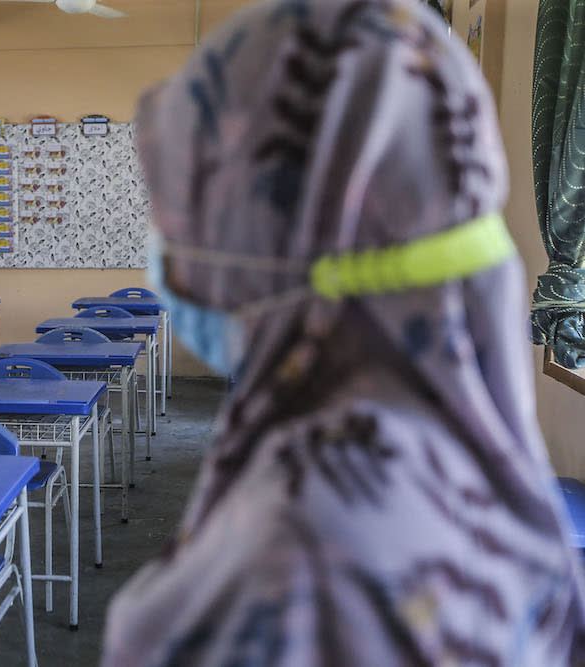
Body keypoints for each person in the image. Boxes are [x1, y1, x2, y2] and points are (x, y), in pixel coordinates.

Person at [103, 1, 585, 665]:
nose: (171, 252)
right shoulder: (466, 456)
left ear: (275, 230)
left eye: (196, 211)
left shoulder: (297, 560)